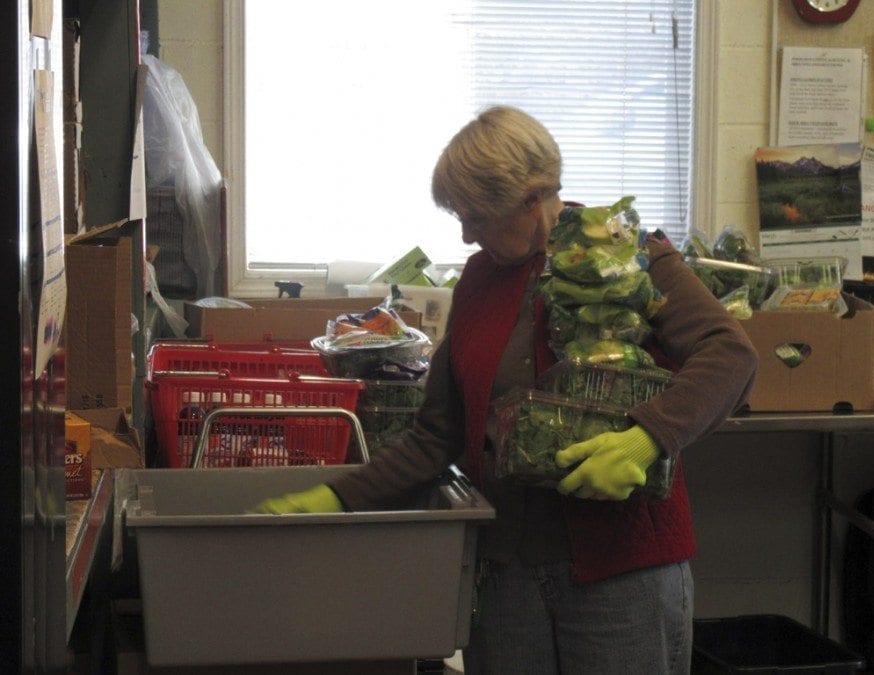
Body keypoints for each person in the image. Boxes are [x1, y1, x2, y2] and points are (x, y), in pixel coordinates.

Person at [255, 105, 759, 674]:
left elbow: (730, 355)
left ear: (533, 198)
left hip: (620, 570)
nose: (466, 233)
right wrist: (340, 497)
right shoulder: (478, 280)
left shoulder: (629, 255)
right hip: (505, 578)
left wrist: (646, 439)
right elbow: (438, 433)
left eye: (477, 216)